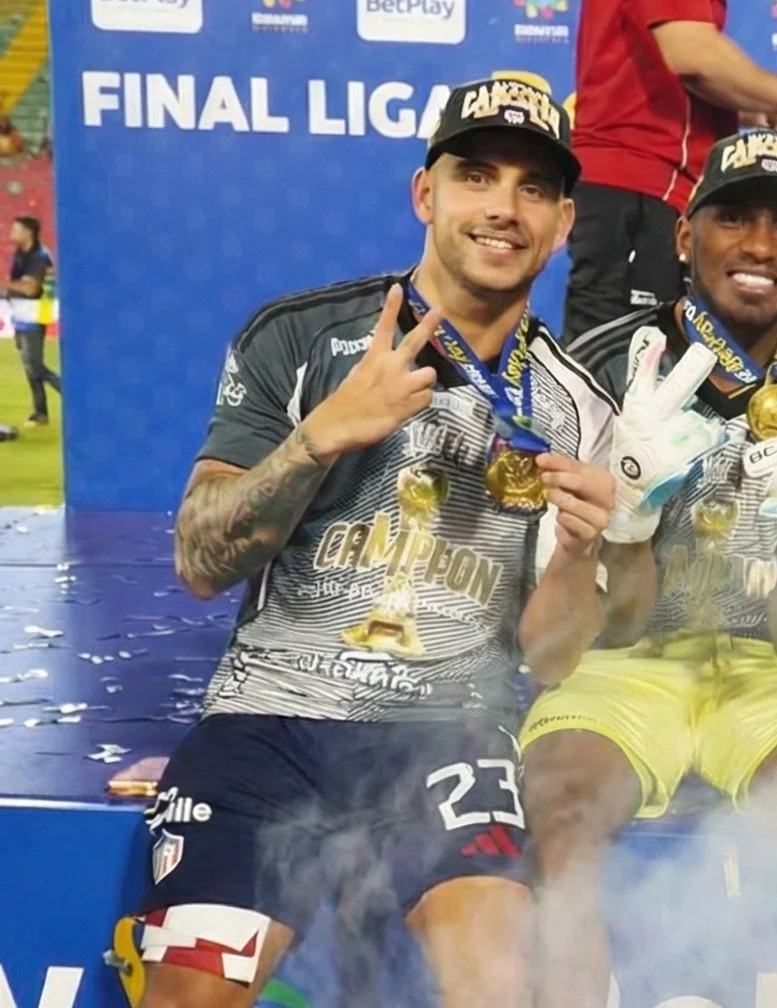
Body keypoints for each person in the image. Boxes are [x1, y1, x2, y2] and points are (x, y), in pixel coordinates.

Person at [139, 78, 625, 1008]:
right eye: (476, 175)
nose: (503, 207)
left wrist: (577, 556)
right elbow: (200, 563)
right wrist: (319, 439)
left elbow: (554, 660)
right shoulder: (301, 337)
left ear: (563, 223)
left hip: (448, 738)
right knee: (190, 999)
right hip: (265, 728)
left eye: (532, 188)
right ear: (425, 194)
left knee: (501, 983)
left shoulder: (578, 406)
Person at [524, 130, 777, 1008]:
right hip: (618, 663)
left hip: (768, 673)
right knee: (563, 799)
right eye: (734, 218)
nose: (761, 245)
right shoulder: (591, 370)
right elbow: (593, 630)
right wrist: (631, 519)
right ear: (685, 237)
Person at [565, 0, 777, 337]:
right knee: (620, 352)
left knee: (643, 349)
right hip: (642, 180)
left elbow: (654, 80)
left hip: (640, 181)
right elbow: (692, 56)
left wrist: (759, 112)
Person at [8, 214, 56, 426]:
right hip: (22, 314)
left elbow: (30, 289)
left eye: (16, 229)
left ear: (28, 233)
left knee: (35, 366)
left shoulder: (38, 256)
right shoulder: (22, 252)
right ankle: (40, 412)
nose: (11, 232)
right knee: (30, 367)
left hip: (34, 314)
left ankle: (71, 394)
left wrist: (6, 284)